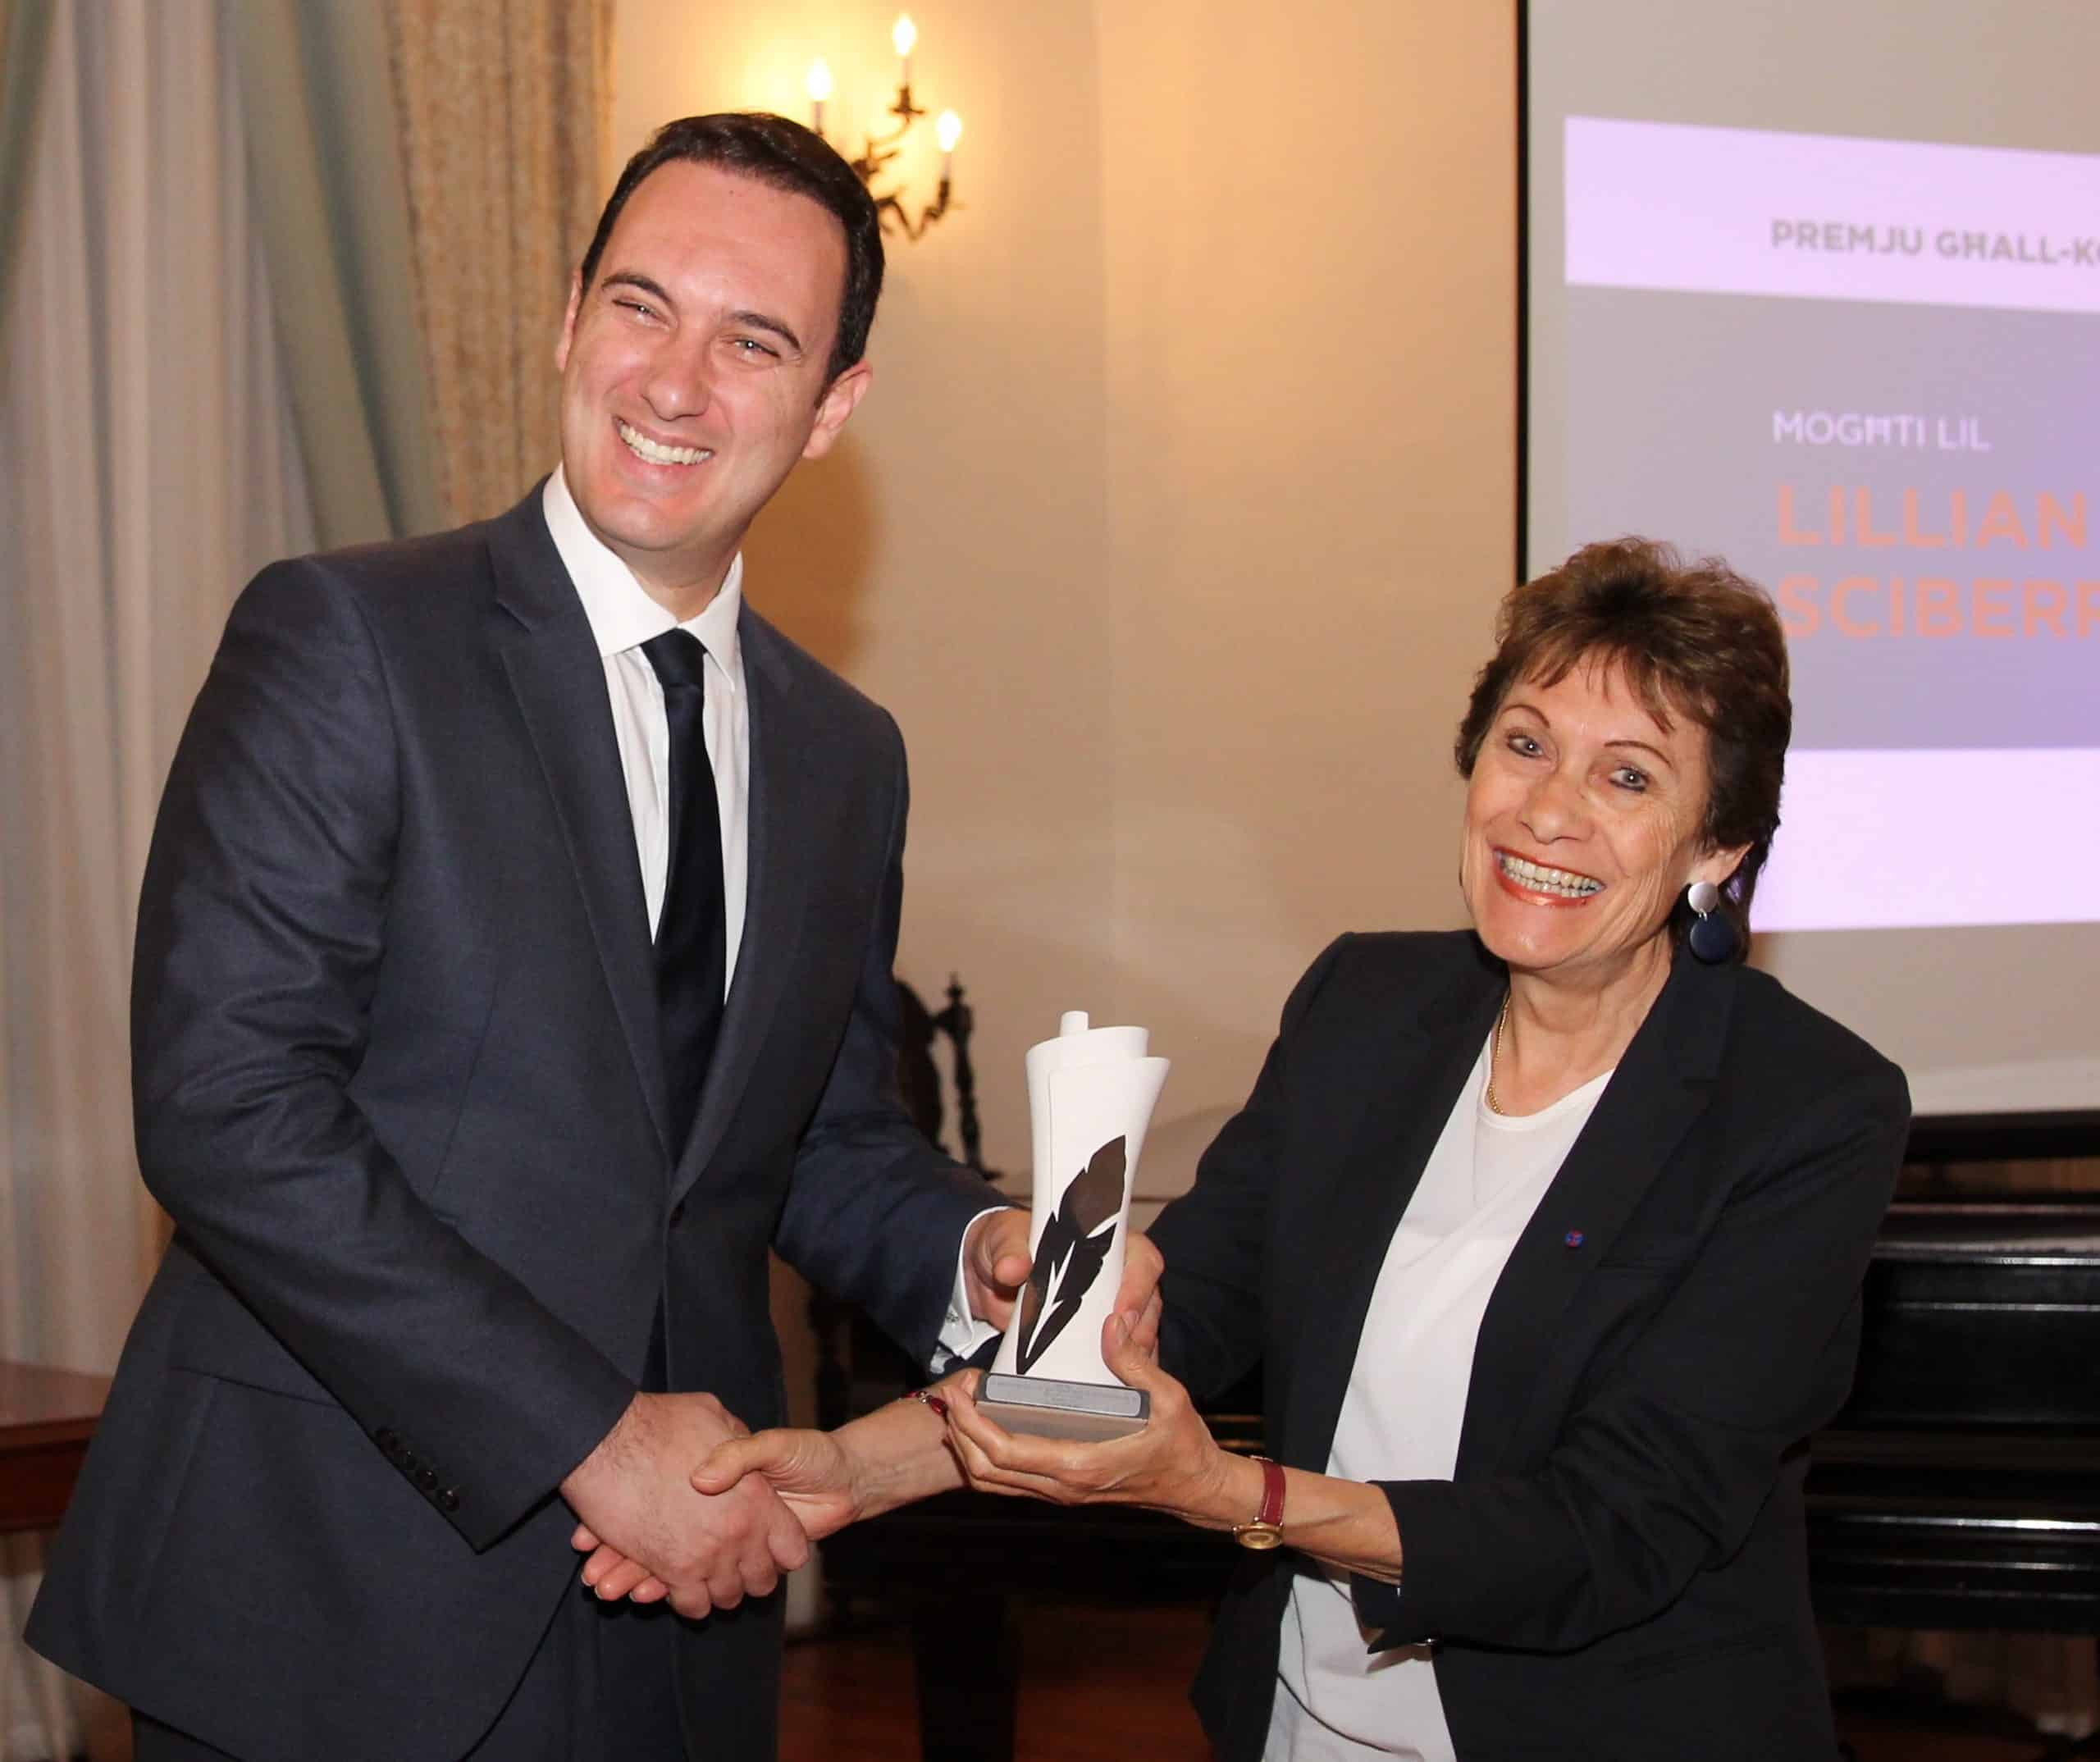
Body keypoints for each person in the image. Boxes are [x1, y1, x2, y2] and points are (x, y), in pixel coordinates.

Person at [26, 112, 1157, 1762]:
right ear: (570, 321)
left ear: (833, 404)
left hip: (681, 1602)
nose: (674, 383)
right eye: (641, 306)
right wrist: (582, 1431)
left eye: (752, 341)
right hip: (329, 1590)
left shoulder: (846, 754)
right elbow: (227, 1107)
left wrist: (980, 1253)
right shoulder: (348, 637)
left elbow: (817, 1137)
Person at [687, 538, 1912, 1761]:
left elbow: (1611, 1529)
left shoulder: (1805, 1109)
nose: (1548, 811)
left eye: (1628, 778)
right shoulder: (1365, 1010)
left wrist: (1227, 1492)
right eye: (1526, 744)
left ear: (1718, 848)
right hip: (1296, 1726)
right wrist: (857, 1469)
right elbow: (1170, 1322)